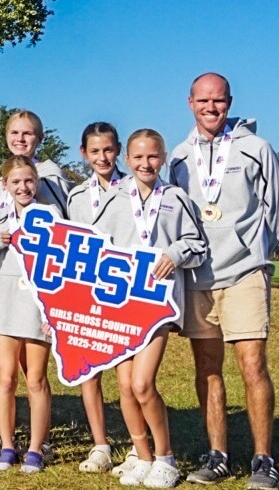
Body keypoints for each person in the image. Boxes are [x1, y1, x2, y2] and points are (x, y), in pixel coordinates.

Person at [169, 73, 279, 490]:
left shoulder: (256, 149)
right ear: (190, 103)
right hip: (199, 277)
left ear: (230, 101)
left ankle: (263, 459)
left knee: (252, 364)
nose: (211, 107)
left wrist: (254, 250)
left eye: (218, 100)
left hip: (244, 272)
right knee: (207, 368)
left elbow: (277, 209)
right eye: (203, 100)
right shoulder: (179, 157)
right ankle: (217, 454)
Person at [99, 129, 206, 488]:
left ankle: (166, 458)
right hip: (121, 304)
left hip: (158, 306)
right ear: (126, 160)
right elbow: (96, 247)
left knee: (144, 383)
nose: (146, 164)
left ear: (162, 158)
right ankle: (142, 457)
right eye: (138, 157)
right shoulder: (113, 200)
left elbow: (196, 244)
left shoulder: (176, 198)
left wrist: (173, 255)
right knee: (126, 386)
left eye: (153, 156)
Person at [0, 156, 61, 474]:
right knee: (5, 378)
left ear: (38, 182)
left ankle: (35, 449)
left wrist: (53, 310)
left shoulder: (51, 216)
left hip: (37, 306)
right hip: (7, 304)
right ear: (5, 185)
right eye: (15, 182)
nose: (23, 187)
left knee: (37, 379)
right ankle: (6, 445)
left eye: (29, 180)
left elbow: (60, 269)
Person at [64, 122, 125, 474]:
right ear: (83, 153)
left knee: (129, 376)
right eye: (95, 151)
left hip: (125, 293)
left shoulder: (136, 189)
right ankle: (100, 445)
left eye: (108, 150)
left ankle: (137, 445)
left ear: (117, 150)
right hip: (87, 293)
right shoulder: (76, 196)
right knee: (90, 372)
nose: (102, 157)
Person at [6, 110, 73, 195]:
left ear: (40, 138)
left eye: (27, 133)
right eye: (14, 132)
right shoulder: (2, 181)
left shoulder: (50, 177)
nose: (20, 139)